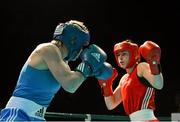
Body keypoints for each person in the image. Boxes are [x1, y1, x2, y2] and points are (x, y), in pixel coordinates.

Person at [0, 20, 113, 121]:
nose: (81, 51)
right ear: (73, 40)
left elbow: (74, 81)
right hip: (19, 113)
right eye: (82, 46)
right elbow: (71, 85)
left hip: (37, 117)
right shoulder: (48, 49)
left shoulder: (63, 63)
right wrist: (88, 65)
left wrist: (93, 69)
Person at [98, 39, 164, 121]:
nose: (120, 58)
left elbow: (159, 84)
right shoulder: (124, 79)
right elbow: (111, 105)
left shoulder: (141, 67)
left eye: (124, 54)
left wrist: (154, 62)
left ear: (134, 54)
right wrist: (105, 85)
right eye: (118, 55)